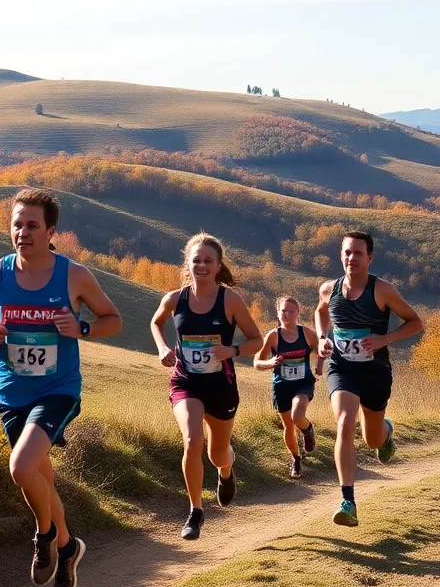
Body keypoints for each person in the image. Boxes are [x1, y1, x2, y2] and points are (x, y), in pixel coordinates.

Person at [0, 188, 122, 587]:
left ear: (51, 232)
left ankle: (44, 534)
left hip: (57, 389)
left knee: (20, 468)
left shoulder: (74, 276)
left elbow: (112, 319)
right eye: (17, 224)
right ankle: (68, 548)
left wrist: (82, 328)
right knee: (40, 477)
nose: (23, 232)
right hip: (12, 391)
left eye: (32, 225)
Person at [150, 234, 263, 540]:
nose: (201, 266)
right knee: (192, 440)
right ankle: (196, 511)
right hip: (185, 382)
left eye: (208, 261)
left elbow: (257, 340)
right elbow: (156, 322)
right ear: (188, 264)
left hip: (220, 386)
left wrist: (232, 350)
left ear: (218, 265)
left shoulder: (230, 300)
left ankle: (226, 470)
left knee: (218, 454)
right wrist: (162, 348)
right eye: (196, 260)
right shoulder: (174, 299)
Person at [315, 231, 423, 527]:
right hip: (342, 368)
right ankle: (348, 501)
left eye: (358, 253)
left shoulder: (382, 290)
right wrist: (322, 338)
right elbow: (321, 312)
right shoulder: (329, 289)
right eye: (347, 252)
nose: (351, 258)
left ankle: (386, 433)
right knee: (344, 423)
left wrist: (384, 339)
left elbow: (415, 322)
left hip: (375, 372)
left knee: (371, 438)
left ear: (370, 258)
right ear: (341, 255)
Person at [254, 296, 323, 479]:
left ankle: (308, 429)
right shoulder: (273, 336)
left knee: (297, 416)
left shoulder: (307, 334)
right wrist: (269, 363)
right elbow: (257, 362)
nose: (286, 314)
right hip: (281, 386)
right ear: (278, 313)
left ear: (298, 312)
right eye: (283, 311)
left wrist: (319, 367)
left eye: (290, 311)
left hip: (303, 383)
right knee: (288, 427)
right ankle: (296, 459)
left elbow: (321, 350)